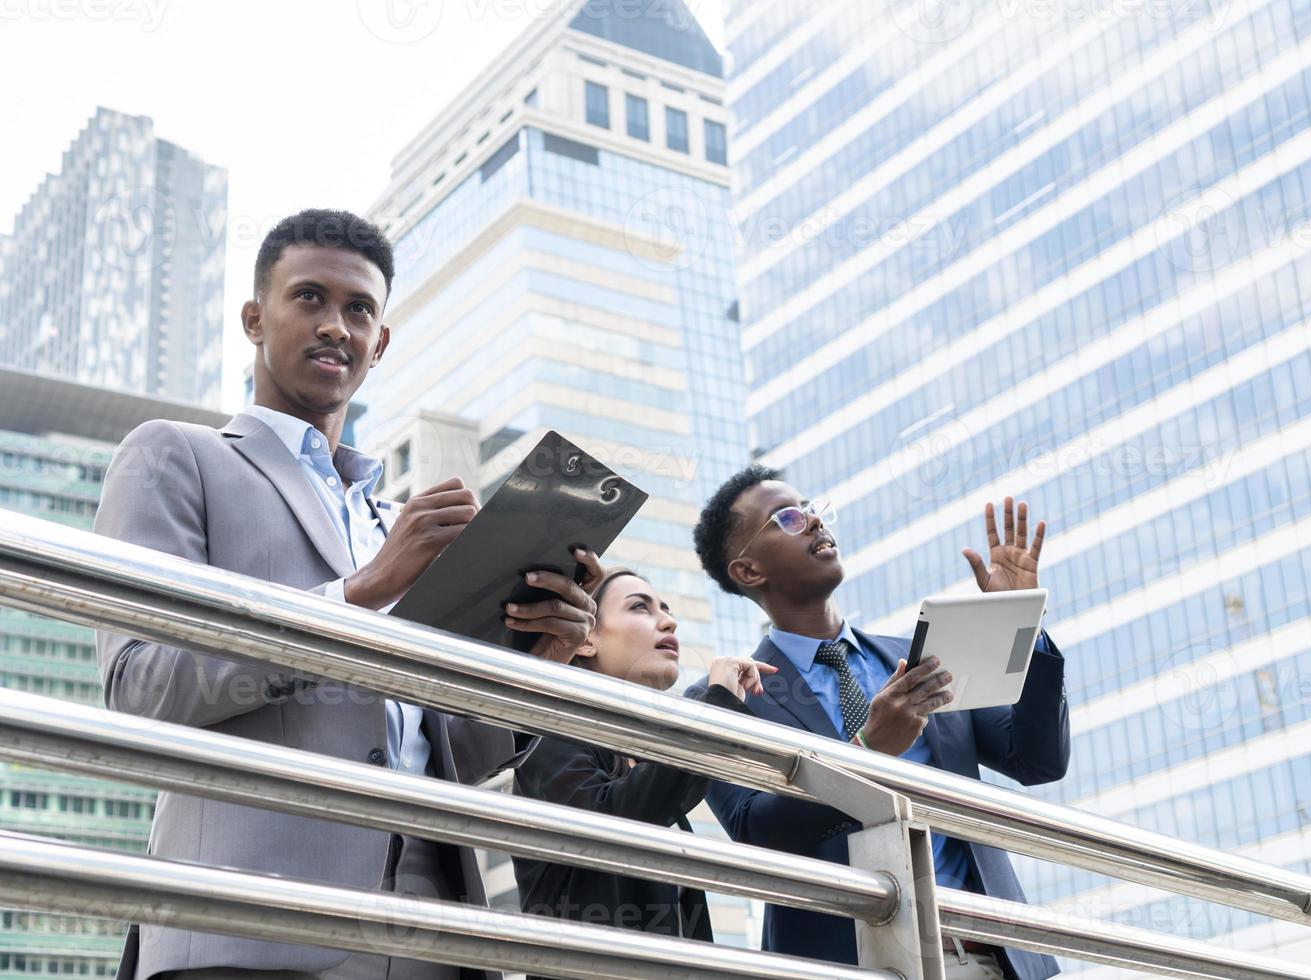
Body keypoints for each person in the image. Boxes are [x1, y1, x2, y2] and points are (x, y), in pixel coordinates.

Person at [94, 208, 601, 980]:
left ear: (381, 343)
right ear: (255, 319)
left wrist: (541, 666)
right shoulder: (177, 456)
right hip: (248, 926)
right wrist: (359, 594)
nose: (336, 325)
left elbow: (457, 754)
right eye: (309, 298)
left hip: (435, 931)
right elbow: (137, 688)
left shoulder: (397, 520)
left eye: (359, 309)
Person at [688, 466, 1070, 980]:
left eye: (815, 510)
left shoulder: (923, 658)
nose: (817, 523)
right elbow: (756, 830)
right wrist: (867, 751)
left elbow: (1038, 761)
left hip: (991, 956)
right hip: (850, 964)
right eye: (789, 518)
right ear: (748, 571)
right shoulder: (729, 695)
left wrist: (1026, 623)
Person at [512, 568, 772, 975]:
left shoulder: (640, 759)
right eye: (640, 607)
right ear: (586, 638)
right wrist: (715, 704)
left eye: (666, 610)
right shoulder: (551, 740)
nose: (668, 621)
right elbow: (619, 820)